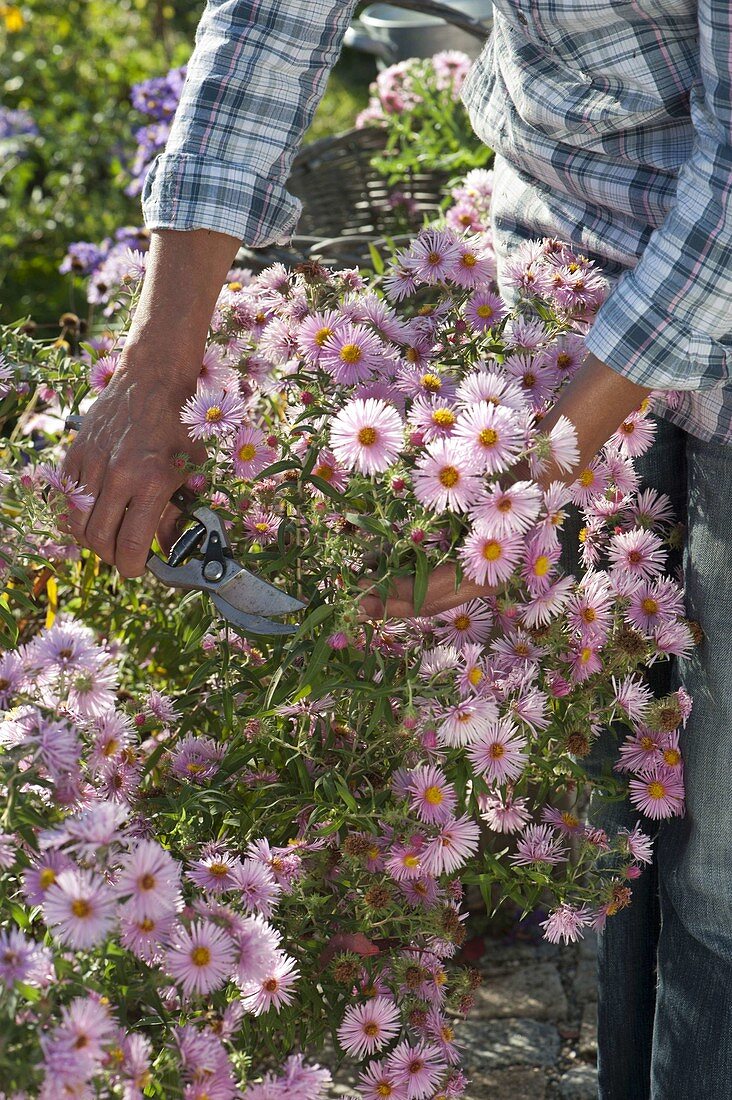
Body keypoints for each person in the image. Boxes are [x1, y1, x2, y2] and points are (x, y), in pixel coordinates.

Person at [61, 2, 732, 1096]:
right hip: (568, 277)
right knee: (622, 819)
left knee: (721, 876)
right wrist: (155, 367)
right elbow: (273, 24)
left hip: (713, 309)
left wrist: (523, 488)